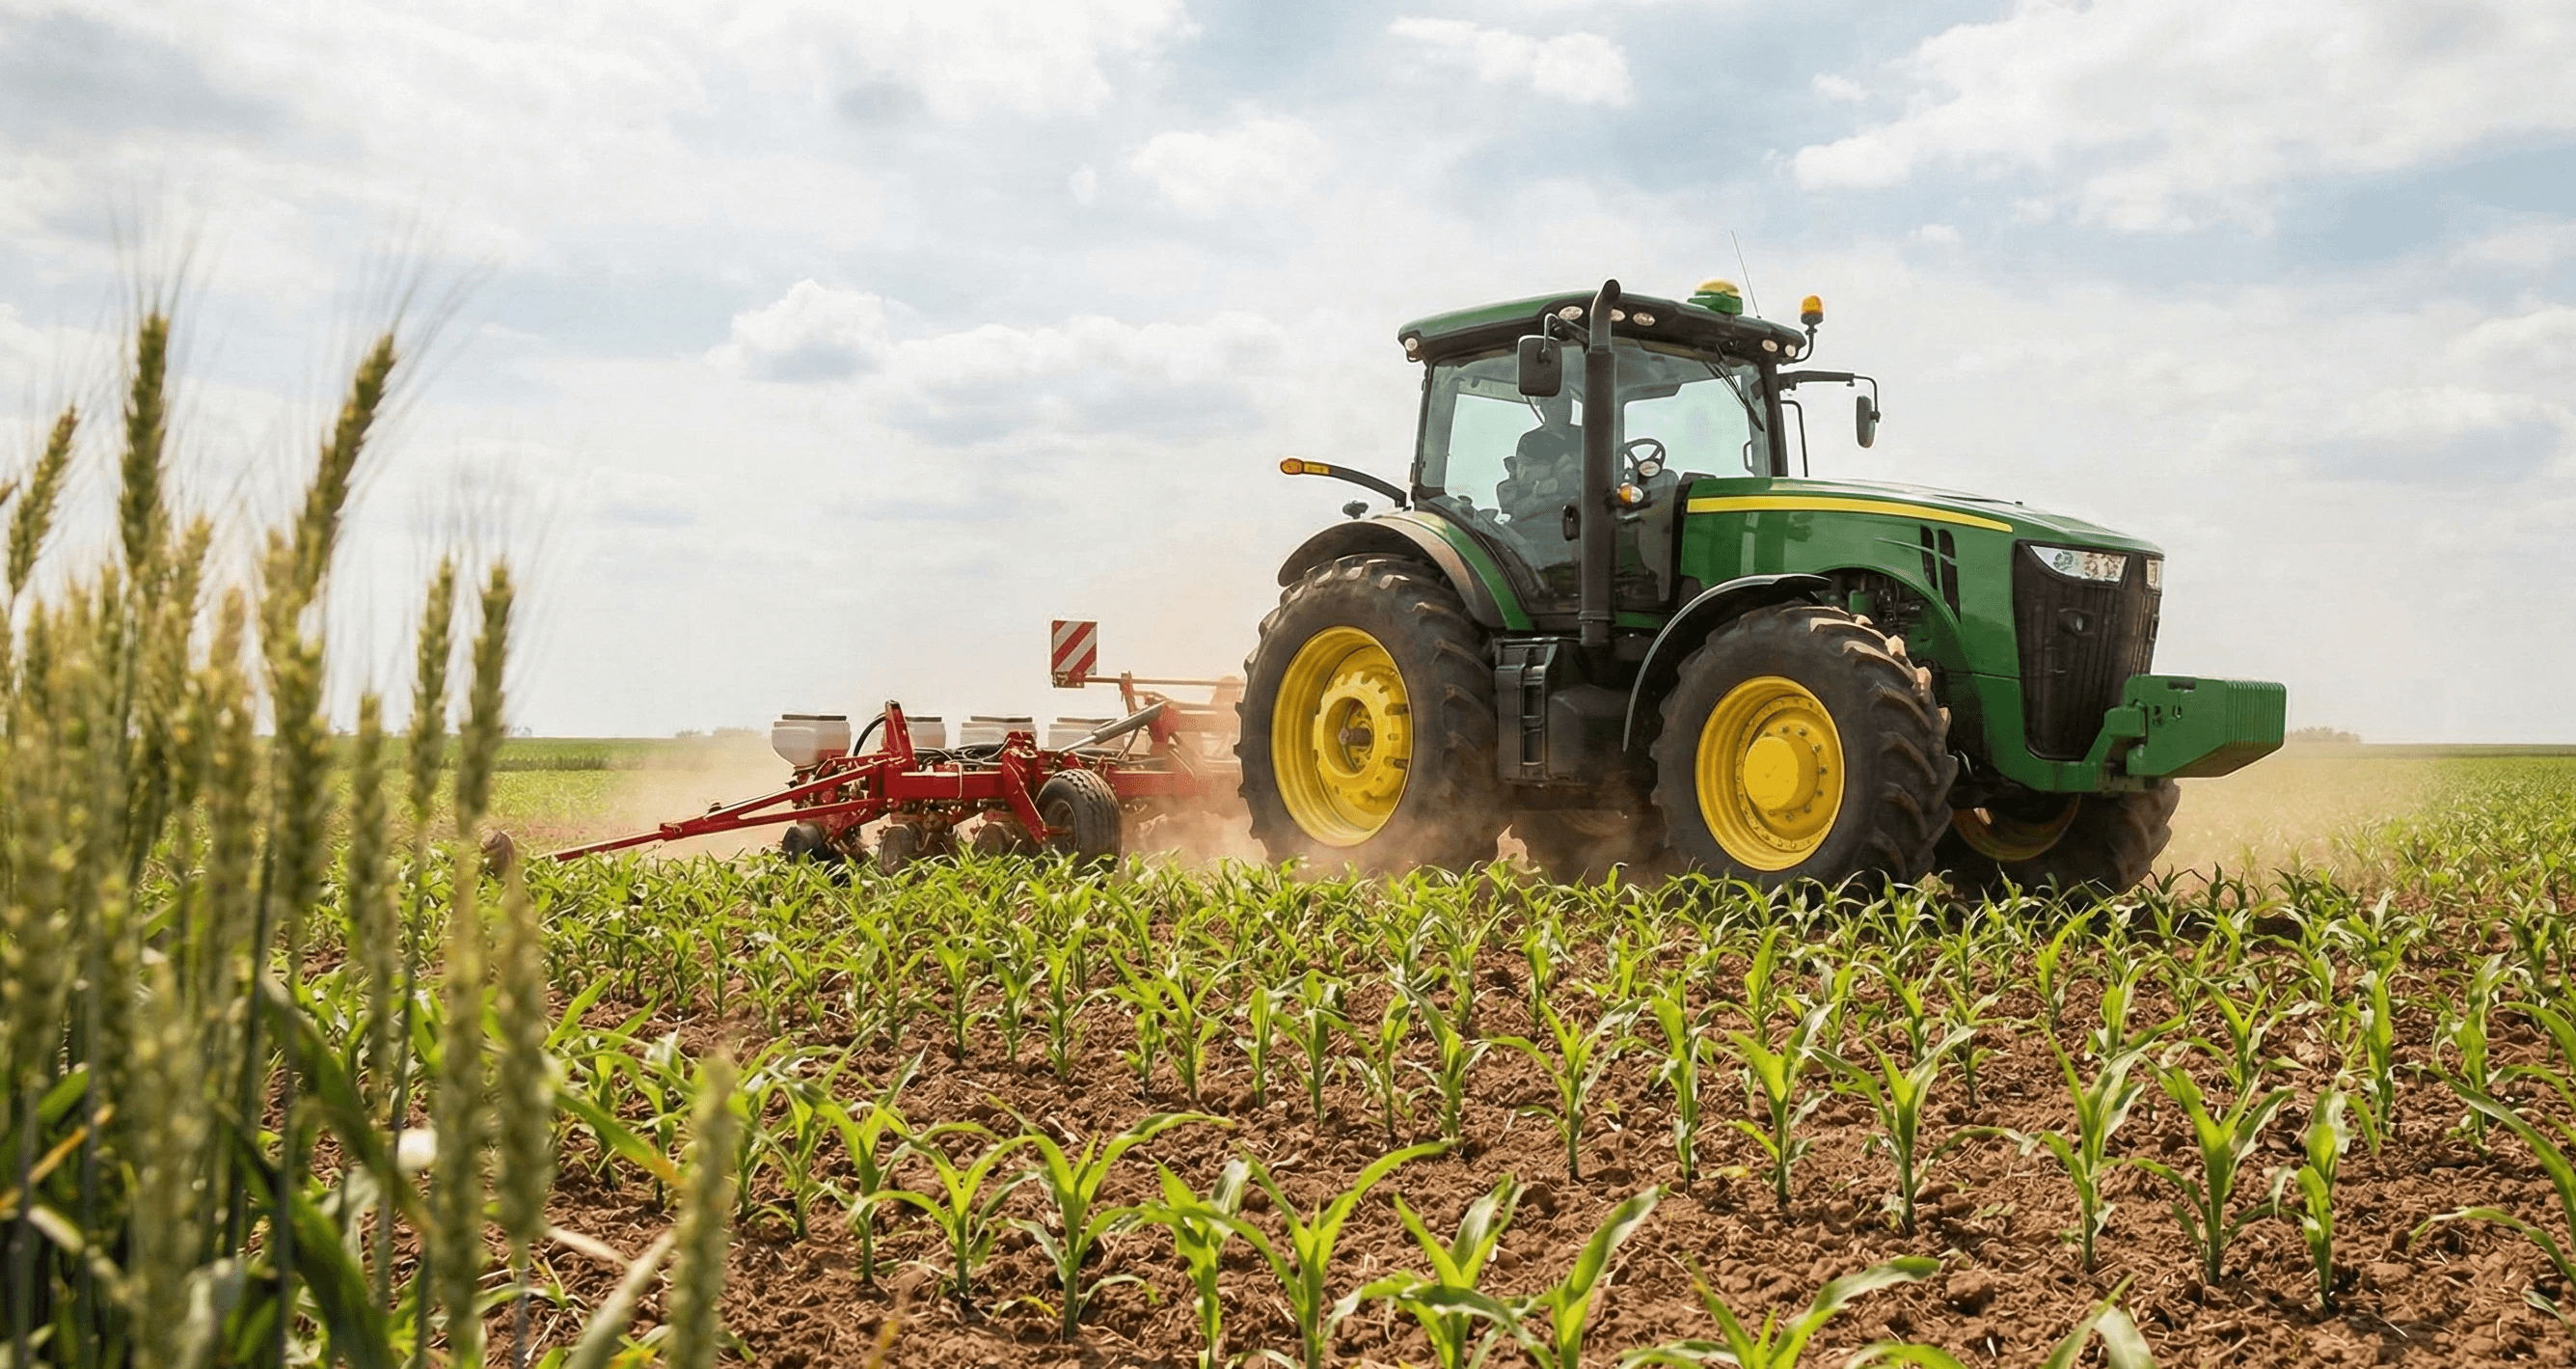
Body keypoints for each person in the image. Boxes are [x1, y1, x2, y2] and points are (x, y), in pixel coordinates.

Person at [1496, 393, 1583, 527]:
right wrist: (1554, 485)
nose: (1563, 408)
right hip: (1543, 523)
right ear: (1543, 406)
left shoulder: (1585, 436)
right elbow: (1524, 488)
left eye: (1566, 402)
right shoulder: (1530, 442)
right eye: (1554, 403)